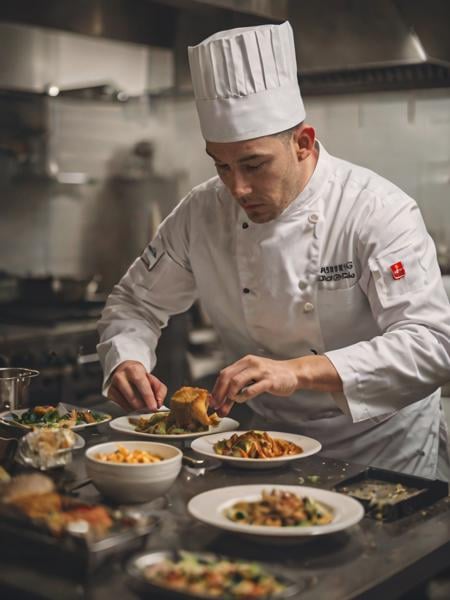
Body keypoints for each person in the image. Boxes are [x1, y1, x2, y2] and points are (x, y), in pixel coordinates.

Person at [97, 21, 450, 479]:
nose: (238, 187)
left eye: (254, 164)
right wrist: (126, 356)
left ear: (302, 143)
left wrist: (299, 371)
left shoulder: (375, 210)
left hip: (384, 446)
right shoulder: (201, 212)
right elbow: (135, 303)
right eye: (221, 165)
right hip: (267, 442)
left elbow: (432, 345)